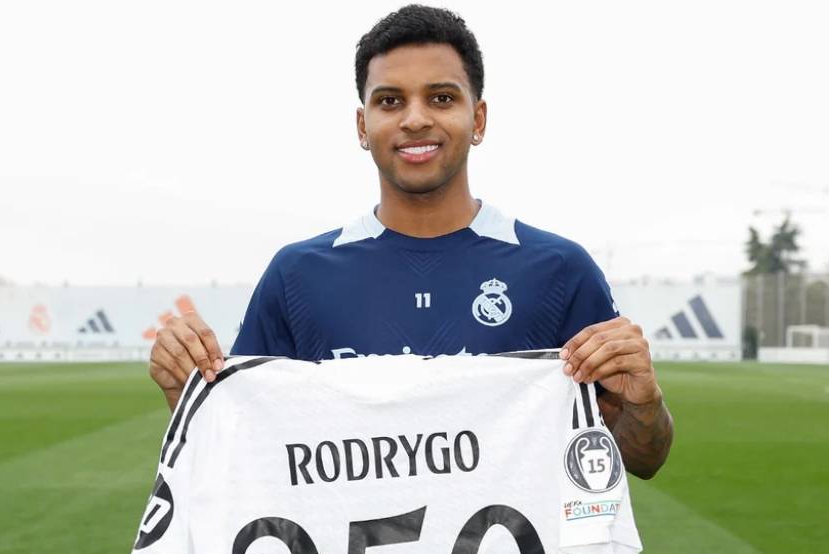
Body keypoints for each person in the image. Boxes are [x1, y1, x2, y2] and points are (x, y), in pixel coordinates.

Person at [148, 4, 673, 479]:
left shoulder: (558, 269)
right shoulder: (297, 275)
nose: (416, 119)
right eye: (390, 101)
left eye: (441, 98)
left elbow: (640, 458)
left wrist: (644, 406)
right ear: (363, 125)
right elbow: (237, 454)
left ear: (478, 119)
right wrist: (183, 393)